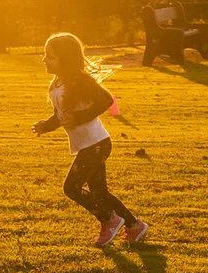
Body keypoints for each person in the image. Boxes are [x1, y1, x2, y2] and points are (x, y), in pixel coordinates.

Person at [35, 32, 146, 247]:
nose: (44, 60)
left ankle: (109, 219)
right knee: (100, 193)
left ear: (65, 59)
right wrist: (45, 126)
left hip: (96, 144)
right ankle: (135, 226)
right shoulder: (56, 85)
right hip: (88, 144)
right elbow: (62, 115)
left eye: (50, 56)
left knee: (71, 188)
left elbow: (106, 100)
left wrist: (79, 117)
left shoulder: (80, 80)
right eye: (45, 55)